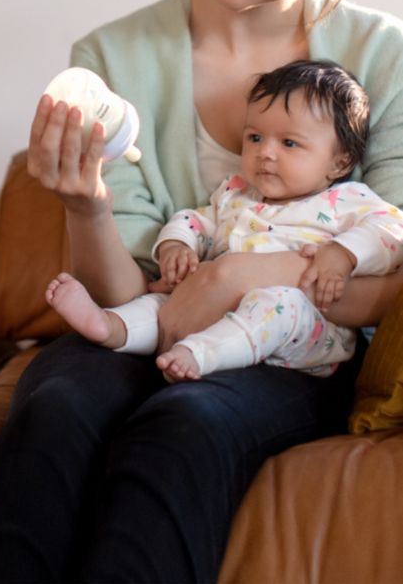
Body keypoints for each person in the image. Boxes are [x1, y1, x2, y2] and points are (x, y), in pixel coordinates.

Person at [0, 0, 403, 584]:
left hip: (293, 343)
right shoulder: (112, 55)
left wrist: (238, 274)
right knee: (53, 411)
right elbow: (123, 294)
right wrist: (85, 203)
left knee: (185, 425)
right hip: (140, 320)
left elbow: (390, 281)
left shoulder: (380, 58)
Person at [44, 60, 403, 382]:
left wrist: (343, 254)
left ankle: (201, 355)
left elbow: (391, 233)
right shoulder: (235, 193)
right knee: (162, 303)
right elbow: (195, 220)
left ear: (339, 162)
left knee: (278, 307)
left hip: (303, 335)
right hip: (204, 309)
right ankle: (109, 327)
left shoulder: (347, 200)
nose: (266, 152)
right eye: (255, 137)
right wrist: (176, 245)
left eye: (289, 143)